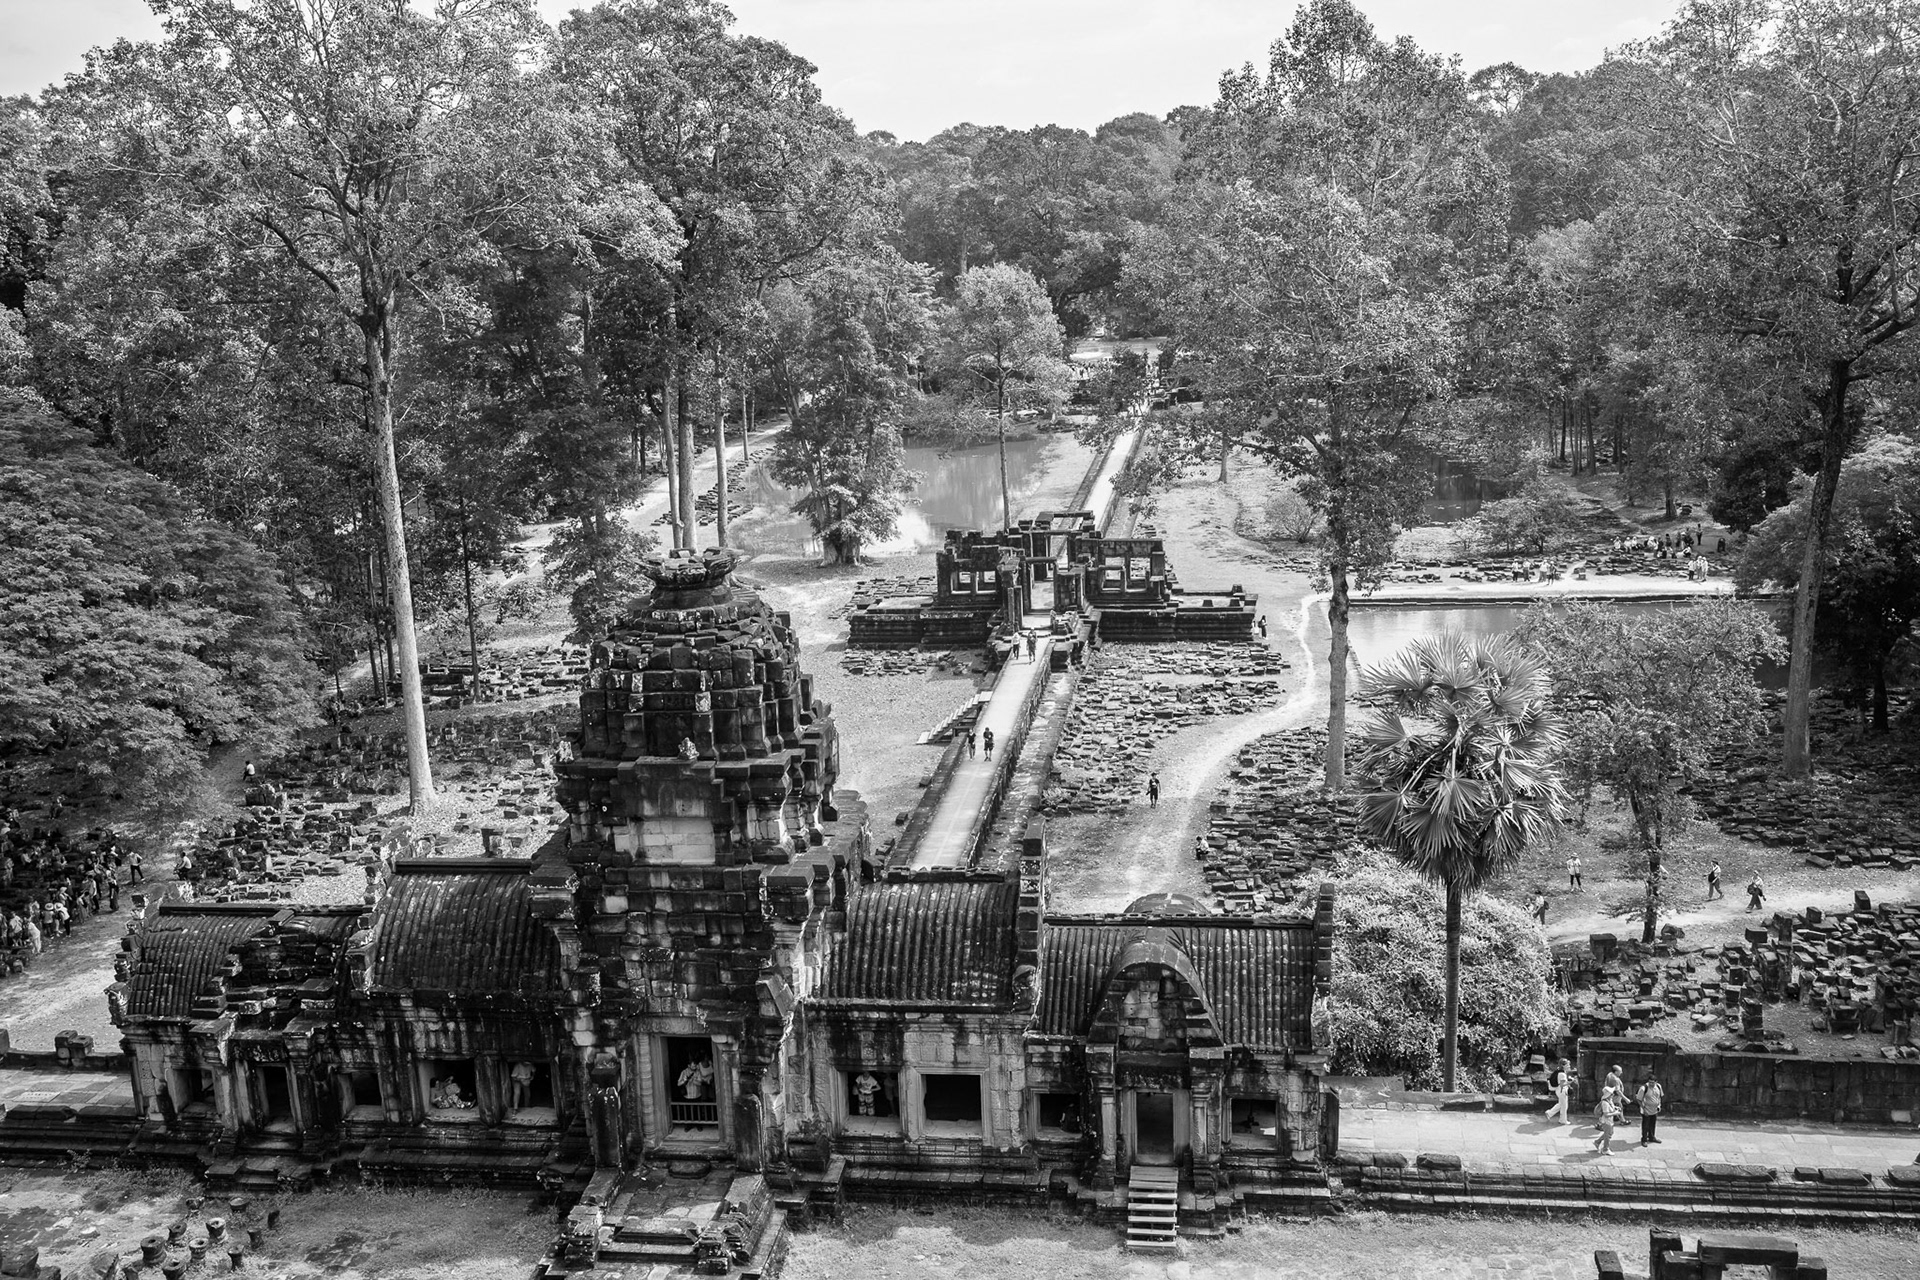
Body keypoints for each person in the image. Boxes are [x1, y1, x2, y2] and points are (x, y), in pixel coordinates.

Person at [1635, 1074, 1664, 1145]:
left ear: (1656, 1082)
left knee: (1652, 1124)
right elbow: (1639, 1099)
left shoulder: (1658, 1087)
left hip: (1655, 1110)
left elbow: (1659, 1097)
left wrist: (1659, 1105)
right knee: (1645, 1125)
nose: (1651, 1084)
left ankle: (1651, 1137)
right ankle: (1644, 1139)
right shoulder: (1643, 1088)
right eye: (1650, 1082)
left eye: (1653, 1082)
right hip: (1646, 1110)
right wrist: (1644, 1109)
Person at [1593, 1086, 1620, 1154]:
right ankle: (1605, 1149)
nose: (1613, 1095)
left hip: (1609, 1121)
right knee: (1608, 1135)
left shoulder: (1609, 1101)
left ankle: (1597, 1142)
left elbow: (1611, 1108)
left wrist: (1615, 1108)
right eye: (1611, 1094)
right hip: (1606, 1121)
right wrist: (1615, 1113)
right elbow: (1606, 1114)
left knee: (1609, 1133)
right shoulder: (1605, 1103)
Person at [1545, 1057, 1572, 1124]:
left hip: (1559, 1090)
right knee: (1564, 1106)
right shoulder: (1562, 1074)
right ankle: (1562, 1120)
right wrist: (1571, 1082)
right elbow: (1563, 1084)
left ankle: (1550, 1113)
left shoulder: (1559, 1072)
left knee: (1561, 1105)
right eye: (1567, 1065)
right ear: (1563, 1065)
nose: (1569, 1066)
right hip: (1562, 1091)